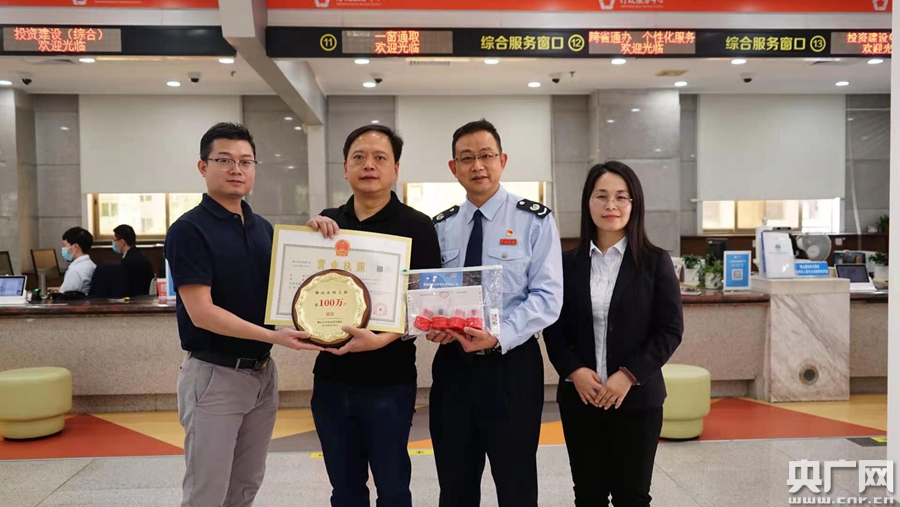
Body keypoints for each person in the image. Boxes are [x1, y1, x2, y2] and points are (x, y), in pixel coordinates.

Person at [165, 122, 322, 507]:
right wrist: (273, 336)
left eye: (246, 161)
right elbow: (202, 313)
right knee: (207, 491)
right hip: (215, 376)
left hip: (262, 374)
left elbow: (286, 293)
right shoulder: (189, 230)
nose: (237, 169)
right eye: (225, 160)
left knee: (245, 486)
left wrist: (313, 241)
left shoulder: (262, 228)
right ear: (203, 166)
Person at [427, 119, 563, 507]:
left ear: (502, 160)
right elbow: (427, 293)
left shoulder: (534, 220)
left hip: (511, 367)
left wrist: (498, 336)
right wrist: (431, 323)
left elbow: (548, 297)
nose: (477, 166)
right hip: (453, 367)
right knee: (455, 485)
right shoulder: (441, 226)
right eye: (466, 158)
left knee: (516, 483)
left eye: (486, 155)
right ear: (453, 167)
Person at [306, 124, 442, 507]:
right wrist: (304, 242)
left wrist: (381, 340)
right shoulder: (327, 224)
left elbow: (425, 303)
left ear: (395, 169)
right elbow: (304, 291)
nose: (369, 165)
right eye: (359, 157)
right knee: (345, 491)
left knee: (393, 489)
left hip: (390, 381)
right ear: (345, 168)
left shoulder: (418, 226)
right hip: (331, 380)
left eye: (380, 157)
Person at [543, 161, 684, 507]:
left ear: (634, 204)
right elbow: (553, 327)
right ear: (588, 202)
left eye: (621, 197)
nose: (611, 206)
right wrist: (574, 371)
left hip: (637, 401)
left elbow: (669, 330)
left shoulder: (655, 262)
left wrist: (629, 375)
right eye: (601, 196)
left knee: (632, 496)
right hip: (581, 399)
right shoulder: (565, 263)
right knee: (588, 495)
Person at [113, 224, 155, 296]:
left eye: (114, 240)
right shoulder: (144, 258)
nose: (113, 243)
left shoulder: (125, 263)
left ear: (122, 242)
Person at [59, 226, 96, 294]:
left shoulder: (75, 270)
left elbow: (64, 295)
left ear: (75, 246)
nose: (63, 249)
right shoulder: (91, 265)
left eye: (65, 246)